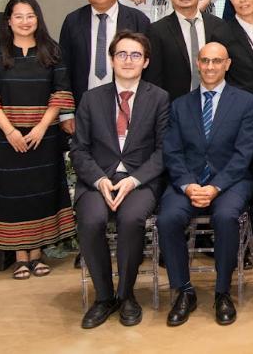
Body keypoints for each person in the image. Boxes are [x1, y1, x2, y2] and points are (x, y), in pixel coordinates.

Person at [70, 31, 169, 329]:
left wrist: (135, 180)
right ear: (112, 60)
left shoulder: (159, 98)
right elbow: (79, 149)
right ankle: (104, 297)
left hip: (139, 180)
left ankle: (126, 295)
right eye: (122, 54)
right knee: (91, 221)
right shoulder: (91, 99)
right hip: (98, 179)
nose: (128, 60)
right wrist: (99, 179)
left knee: (131, 219)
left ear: (146, 61)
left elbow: (164, 150)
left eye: (135, 55)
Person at [0, 0, 75, 277]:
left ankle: (37, 254)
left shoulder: (52, 51)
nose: (25, 21)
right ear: (9, 21)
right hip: (6, 140)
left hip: (44, 138)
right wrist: (10, 131)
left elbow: (61, 93)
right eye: (18, 16)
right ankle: (20, 256)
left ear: (38, 18)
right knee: (14, 196)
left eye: (30, 16)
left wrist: (41, 127)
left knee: (41, 193)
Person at [158, 42, 253, 327]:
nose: (210, 66)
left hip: (230, 182)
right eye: (205, 61)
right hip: (188, 182)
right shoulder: (179, 105)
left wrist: (215, 187)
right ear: (197, 63)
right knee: (167, 218)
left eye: (217, 61)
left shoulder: (246, 102)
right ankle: (184, 291)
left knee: (226, 217)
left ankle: (222, 292)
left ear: (227, 64)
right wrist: (189, 185)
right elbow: (172, 152)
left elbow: (244, 154)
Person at [58, 0, 151, 129]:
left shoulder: (138, 20)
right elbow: (63, 68)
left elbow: (149, 69)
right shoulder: (73, 21)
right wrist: (66, 112)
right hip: (83, 107)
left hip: (128, 106)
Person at [145, 0, 229, 102]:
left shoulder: (219, 25)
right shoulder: (157, 30)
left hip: (215, 102)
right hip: (173, 105)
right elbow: (153, 77)